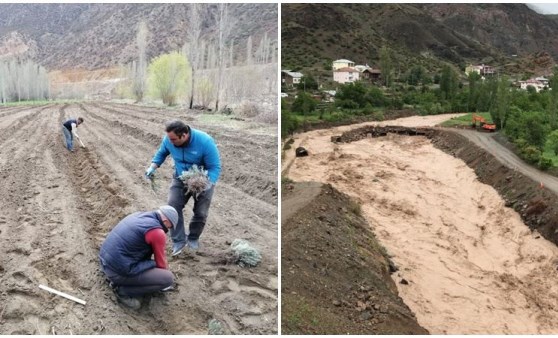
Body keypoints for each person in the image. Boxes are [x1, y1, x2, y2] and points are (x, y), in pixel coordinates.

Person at [145, 120, 221, 256]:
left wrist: (207, 183)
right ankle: (178, 241)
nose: (170, 142)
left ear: (184, 135)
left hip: (203, 180)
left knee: (201, 212)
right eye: (169, 138)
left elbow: (214, 167)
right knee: (173, 207)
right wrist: (153, 166)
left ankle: (193, 238)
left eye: (173, 139)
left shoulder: (205, 142)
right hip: (180, 177)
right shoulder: (169, 140)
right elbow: (162, 153)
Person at [99, 205, 178, 309]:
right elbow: (161, 263)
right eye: (170, 227)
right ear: (166, 221)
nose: (168, 229)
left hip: (104, 261)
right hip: (116, 272)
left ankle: (121, 280)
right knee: (167, 278)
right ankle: (123, 291)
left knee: (149, 263)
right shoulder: (157, 232)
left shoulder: (138, 215)